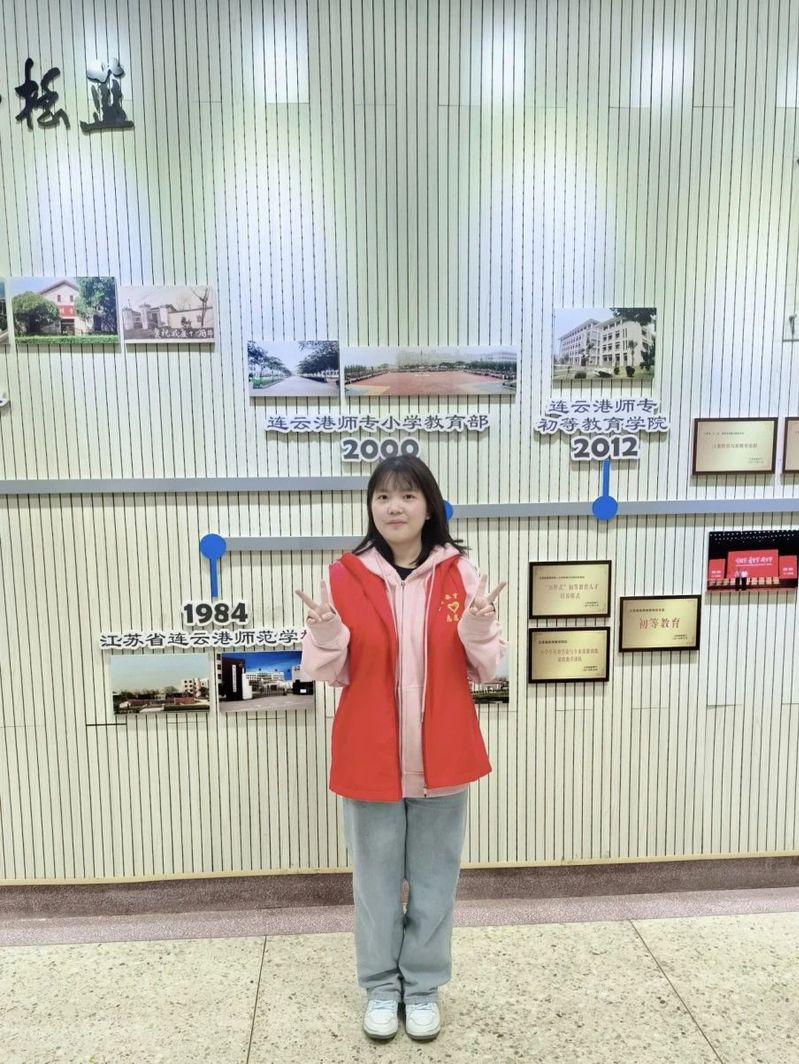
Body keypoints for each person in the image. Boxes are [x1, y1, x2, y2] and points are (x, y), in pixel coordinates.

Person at [296, 456, 506, 1043]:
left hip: (443, 755)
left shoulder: (461, 574)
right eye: (383, 496)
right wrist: (325, 631)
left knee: (436, 883)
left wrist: (480, 627)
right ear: (371, 506)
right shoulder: (343, 577)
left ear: (429, 506)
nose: (395, 507)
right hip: (371, 755)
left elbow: (488, 668)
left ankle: (423, 988)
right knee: (376, 886)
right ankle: (381, 989)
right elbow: (328, 671)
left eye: (408, 496)